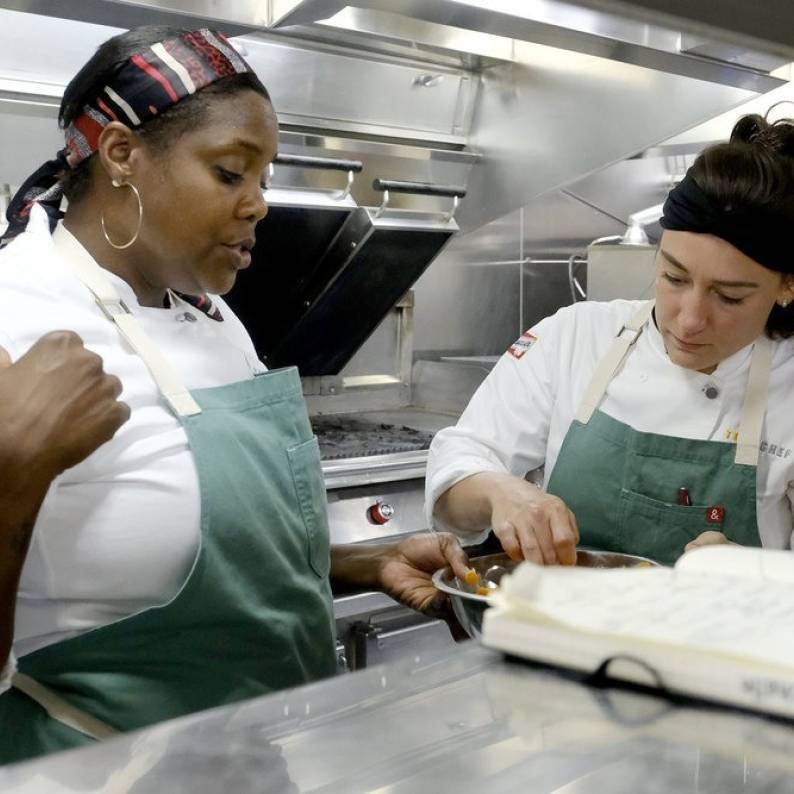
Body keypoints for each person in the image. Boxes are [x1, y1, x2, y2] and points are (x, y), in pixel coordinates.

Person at [0, 25, 470, 765]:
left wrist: (360, 561)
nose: (259, 205)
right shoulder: (15, 319)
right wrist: (13, 472)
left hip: (248, 767)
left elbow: (192, 559)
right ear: (122, 154)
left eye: (264, 177)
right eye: (230, 172)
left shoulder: (213, 316)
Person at [426, 113, 794, 569]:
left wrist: (760, 574)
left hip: (723, 640)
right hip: (559, 636)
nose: (691, 318)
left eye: (729, 296)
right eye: (673, 277)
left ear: (786, 287)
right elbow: (456, 471)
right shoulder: (574, 338)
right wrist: (500, 492)